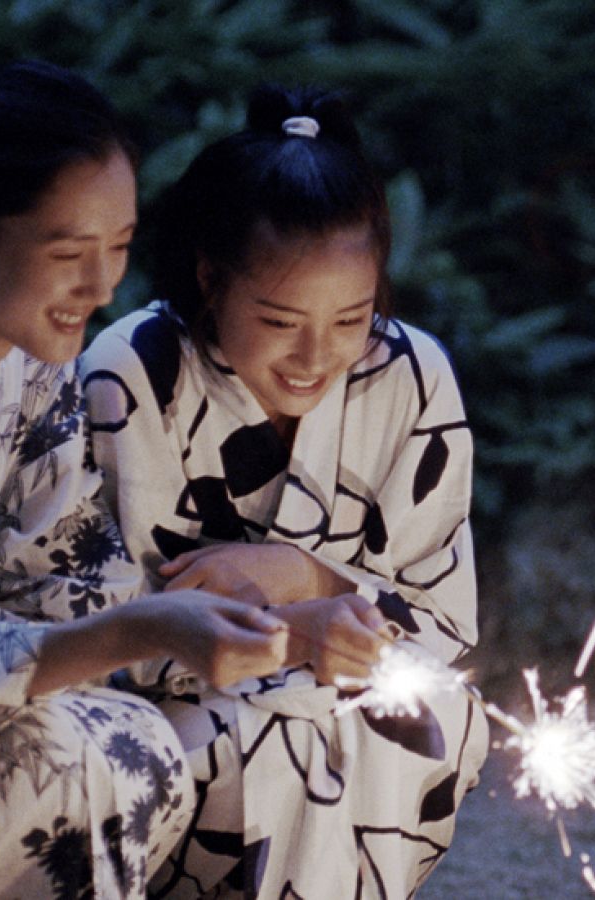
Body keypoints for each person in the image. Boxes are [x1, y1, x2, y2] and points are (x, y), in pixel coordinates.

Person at [0, 60, 292, 898]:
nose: (103, 286)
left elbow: (68, 579)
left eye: (120, 246)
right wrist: (141, 631)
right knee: (81, 763)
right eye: (70, 251)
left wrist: (252, 624)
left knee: (133, 744)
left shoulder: (32, 357)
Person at [78, 85, 488, 899]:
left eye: (350, 320)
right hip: (178, 706)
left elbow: (442, 624)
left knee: (433, 715)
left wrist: (310, 577)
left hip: (351, 694)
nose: (315, 355)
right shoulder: (132, 373)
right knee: (278, 739)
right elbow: (101, 633)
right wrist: (294, 636)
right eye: (278, 319)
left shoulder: (410, 374)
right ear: (211, 279)